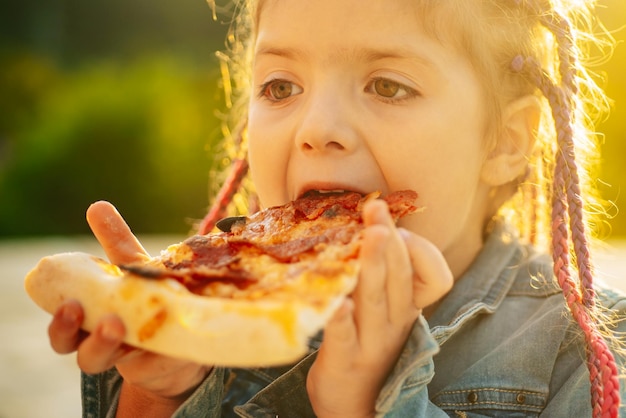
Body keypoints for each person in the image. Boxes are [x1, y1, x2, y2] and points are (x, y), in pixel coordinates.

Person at [46, 0, 626, 416]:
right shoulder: (209, 319)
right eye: (280, 86)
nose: (318, 128)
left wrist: (365, 404)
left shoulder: (586, 355)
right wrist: (159, 397)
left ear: (504, 140)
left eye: (388, 86)